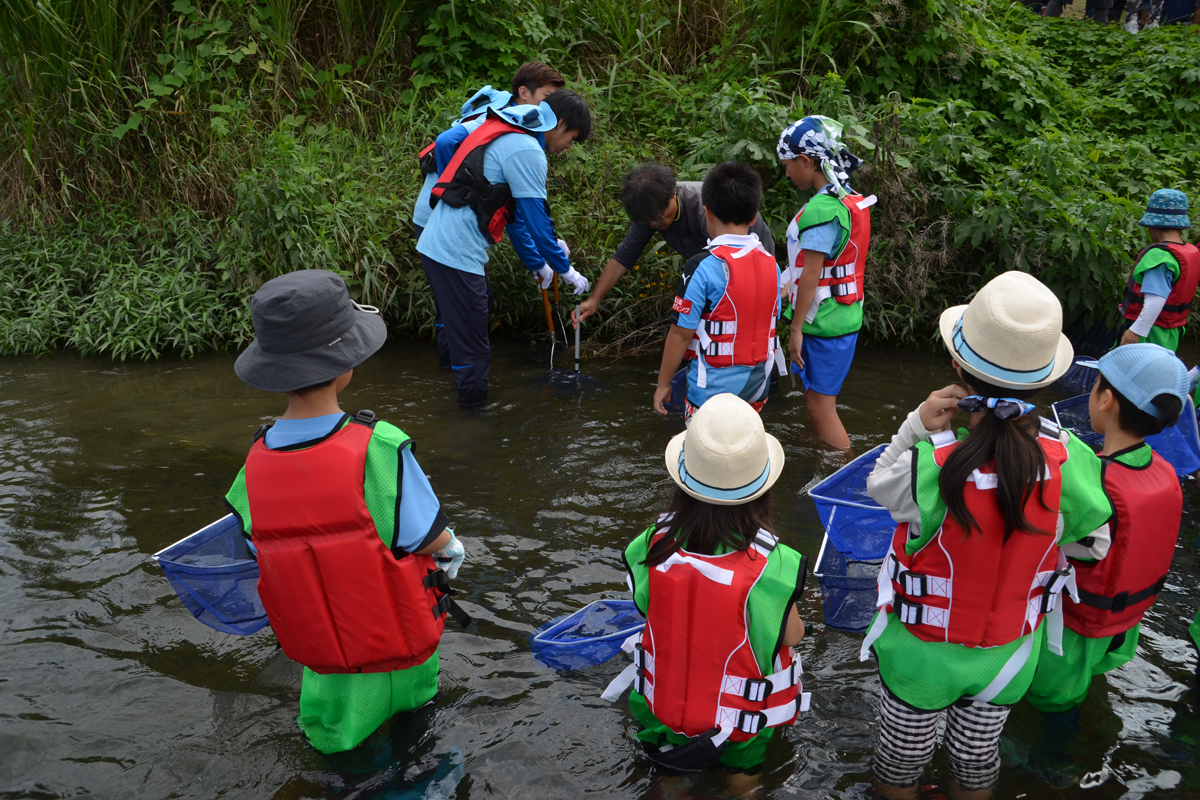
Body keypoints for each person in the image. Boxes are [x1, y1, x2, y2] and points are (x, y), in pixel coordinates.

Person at [861, 271, 1112, 799]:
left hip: (920, 660)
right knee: (976, 763)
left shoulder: (930, 466)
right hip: (1009, 658)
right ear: (1044, 381)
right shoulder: (1074, 463)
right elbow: (1093, 543)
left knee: (899, 770)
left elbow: (878, 483)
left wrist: (918, 425)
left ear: (958, 366)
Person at [222, 270, 471, 754]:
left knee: (342, 760)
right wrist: (453, 549)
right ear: (344, 366)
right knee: (421, 750)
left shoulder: (253, 465)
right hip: (400, 659)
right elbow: (428, 537)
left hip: (326, 674)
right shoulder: (380, 446)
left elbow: (263, 548)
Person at [602, 393, 809, 787]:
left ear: (683, 481)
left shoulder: (652, 543)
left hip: (660, 710)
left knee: (666, 778)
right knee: (742, 776)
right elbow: (793, 634)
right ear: (763, 490)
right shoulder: (774, 564)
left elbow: (647, 607)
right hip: (737, 720)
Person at [1027, 344, 1188, 714]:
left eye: (1096, 383)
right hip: (1124, 625)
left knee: (1051, 712)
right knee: (1083, 691)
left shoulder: (1096, 483)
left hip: (1072, 629)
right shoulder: (1163, 472)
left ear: (1106, 401)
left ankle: (1058, 771)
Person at [416, 90, 593, 407]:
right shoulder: (527, 150)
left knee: (474, 321)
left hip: (441, 247)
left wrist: (544, 259)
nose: (568, 147)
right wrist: (567, 272)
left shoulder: (517, 135)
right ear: (561, 123)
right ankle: (473, 424)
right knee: (473, 346)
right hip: (454, 253)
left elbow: (519, 218)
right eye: (572, 138)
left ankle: (455, 394)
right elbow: (537, 224)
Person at [651, 161, 785, 420]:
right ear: (754, 217)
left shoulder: (701, 265)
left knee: (707, 452)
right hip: (757, 388)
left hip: (711, 393)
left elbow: (680, 334)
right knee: (743, 447)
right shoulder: (772, 264)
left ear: (707, 213)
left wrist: (663, 384)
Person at [570, 163, 776, 327]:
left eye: (658, 218)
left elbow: (730, 262)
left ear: (673, 194)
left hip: (752, 262)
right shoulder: (649, 212)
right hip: (715, 267)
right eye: (648, 221)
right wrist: (594, 300)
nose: (655, 224)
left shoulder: (706, 209)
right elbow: (624, 256)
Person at [777, 115, 875, 450]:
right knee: (816, 404)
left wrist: (795, 329)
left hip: (825, 323)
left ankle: (841, 476)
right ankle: (818, 458)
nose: (787, 173)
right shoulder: (849, 198)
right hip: (842, 316)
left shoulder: (823, 208)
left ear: (806, 161)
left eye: (788, 165)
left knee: (821, 408)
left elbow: (812, 274)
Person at [412, 63, 566, 241]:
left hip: (444, 216)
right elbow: (446, 140)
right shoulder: (499, 118)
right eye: (547, 97)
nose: (552, 107)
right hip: (438, 214)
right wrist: (449, 189)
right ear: (524, 93)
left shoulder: (520, 124)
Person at [1117, 189, 1198, 353]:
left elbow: (1156, 300)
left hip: (1150, 332)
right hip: (1170, 333)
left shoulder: (1159, 256)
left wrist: (1137, 330)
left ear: (1152, 226)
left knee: (1128, 374)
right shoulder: (1187, 251)